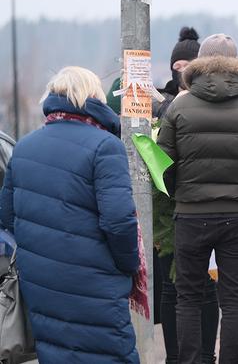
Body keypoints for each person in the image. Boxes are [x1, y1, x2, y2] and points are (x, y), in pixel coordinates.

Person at [157, 39, 238, 364]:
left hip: (190, 215)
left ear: (198, 64)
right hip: (237, 215)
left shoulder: (178, 107)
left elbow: (162, 162)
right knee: (233, 301)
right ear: (237, 64)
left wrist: (180, 192)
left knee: (188, 298)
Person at [0, 66, 140, 363]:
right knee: (109, 352)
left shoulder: (24, 147)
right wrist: (127, 266)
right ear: (93, 98)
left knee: (56, 352)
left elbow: (8, 214)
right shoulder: (105, 147)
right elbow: (118, 220)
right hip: (94, 279)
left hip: (41, 281)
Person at [153, 26, 220, 364]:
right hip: (168, 212)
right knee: (169, 285)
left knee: (205, 287)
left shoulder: (212, 102)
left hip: (202, 207)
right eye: (176, 66)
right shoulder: (160, 103)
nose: (181, 72)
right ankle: (174, 356)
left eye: (187, 66)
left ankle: (206, 355)